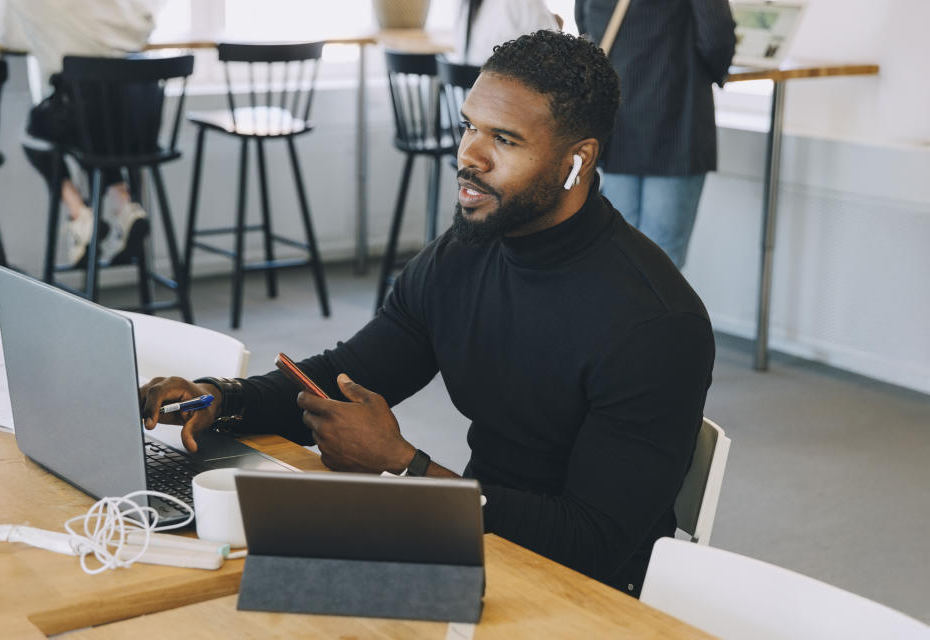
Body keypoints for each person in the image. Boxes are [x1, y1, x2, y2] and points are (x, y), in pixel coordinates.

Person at [141, 30, 715, 596]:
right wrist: (222, 399)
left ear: (577, 160)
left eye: (505, 140)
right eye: (469, 125)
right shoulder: (470, 248)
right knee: (241, 589)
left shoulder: (656, 326)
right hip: (471, 539)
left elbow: (591, 543)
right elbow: (350, 371)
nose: (468, 155)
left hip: (582, 594)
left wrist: (405, 468)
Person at [575, 0, 736, 268]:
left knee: (615, 248)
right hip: (676, 119)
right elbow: (716, 37)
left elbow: (585, 24)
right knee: (663, 259)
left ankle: (618, 310)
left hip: (617, 120)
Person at [4, 0, 163, 267]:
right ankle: (124, 206)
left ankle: (79, 214)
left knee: (33, 133)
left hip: (87, 115)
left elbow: (12, 38)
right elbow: (146, 22)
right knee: (93, 138)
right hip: (138, 121)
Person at [451, 0, 560, 65]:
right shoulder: (522, 3)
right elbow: (556, 49)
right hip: (504, 96)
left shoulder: (464, 5)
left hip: (465, 98)